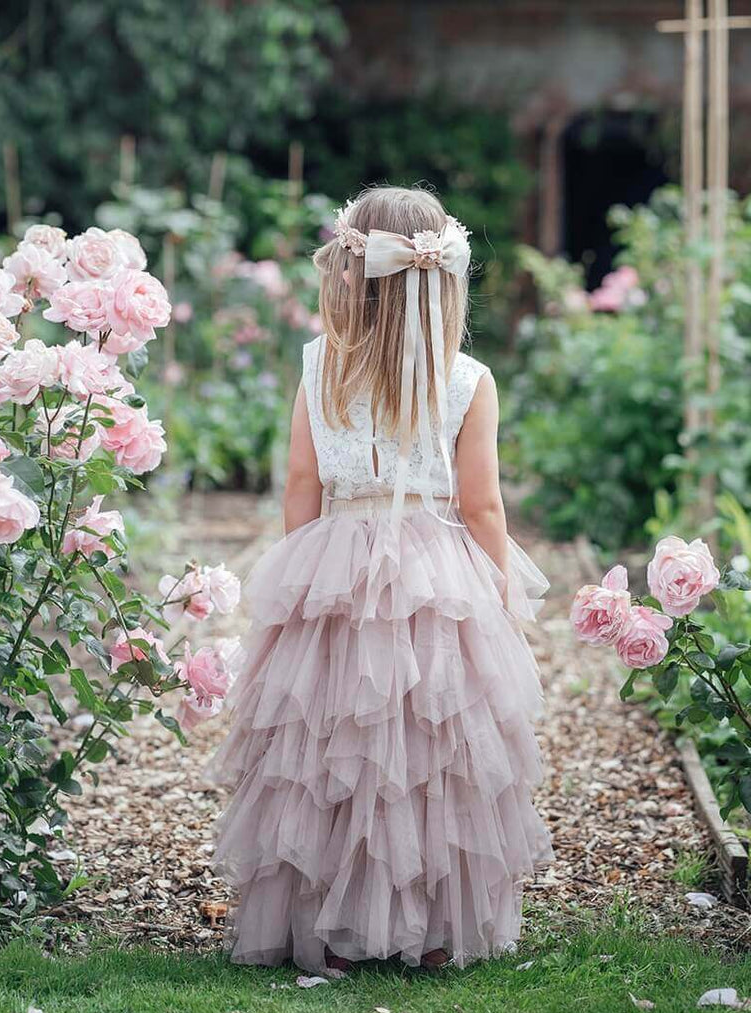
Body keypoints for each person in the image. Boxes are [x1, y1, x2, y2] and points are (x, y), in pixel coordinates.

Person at [205, 186, 553, 973]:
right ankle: (430, 930)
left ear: (346, 273)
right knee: (432, 748)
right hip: (437, 572)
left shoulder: (318, 365)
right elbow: (483, 503)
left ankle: (322, 919)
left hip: (332, 561)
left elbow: (301, 483)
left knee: (327, 748)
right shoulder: (465, 380)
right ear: (445, 280)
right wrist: (499, 594)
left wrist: (305, 576)